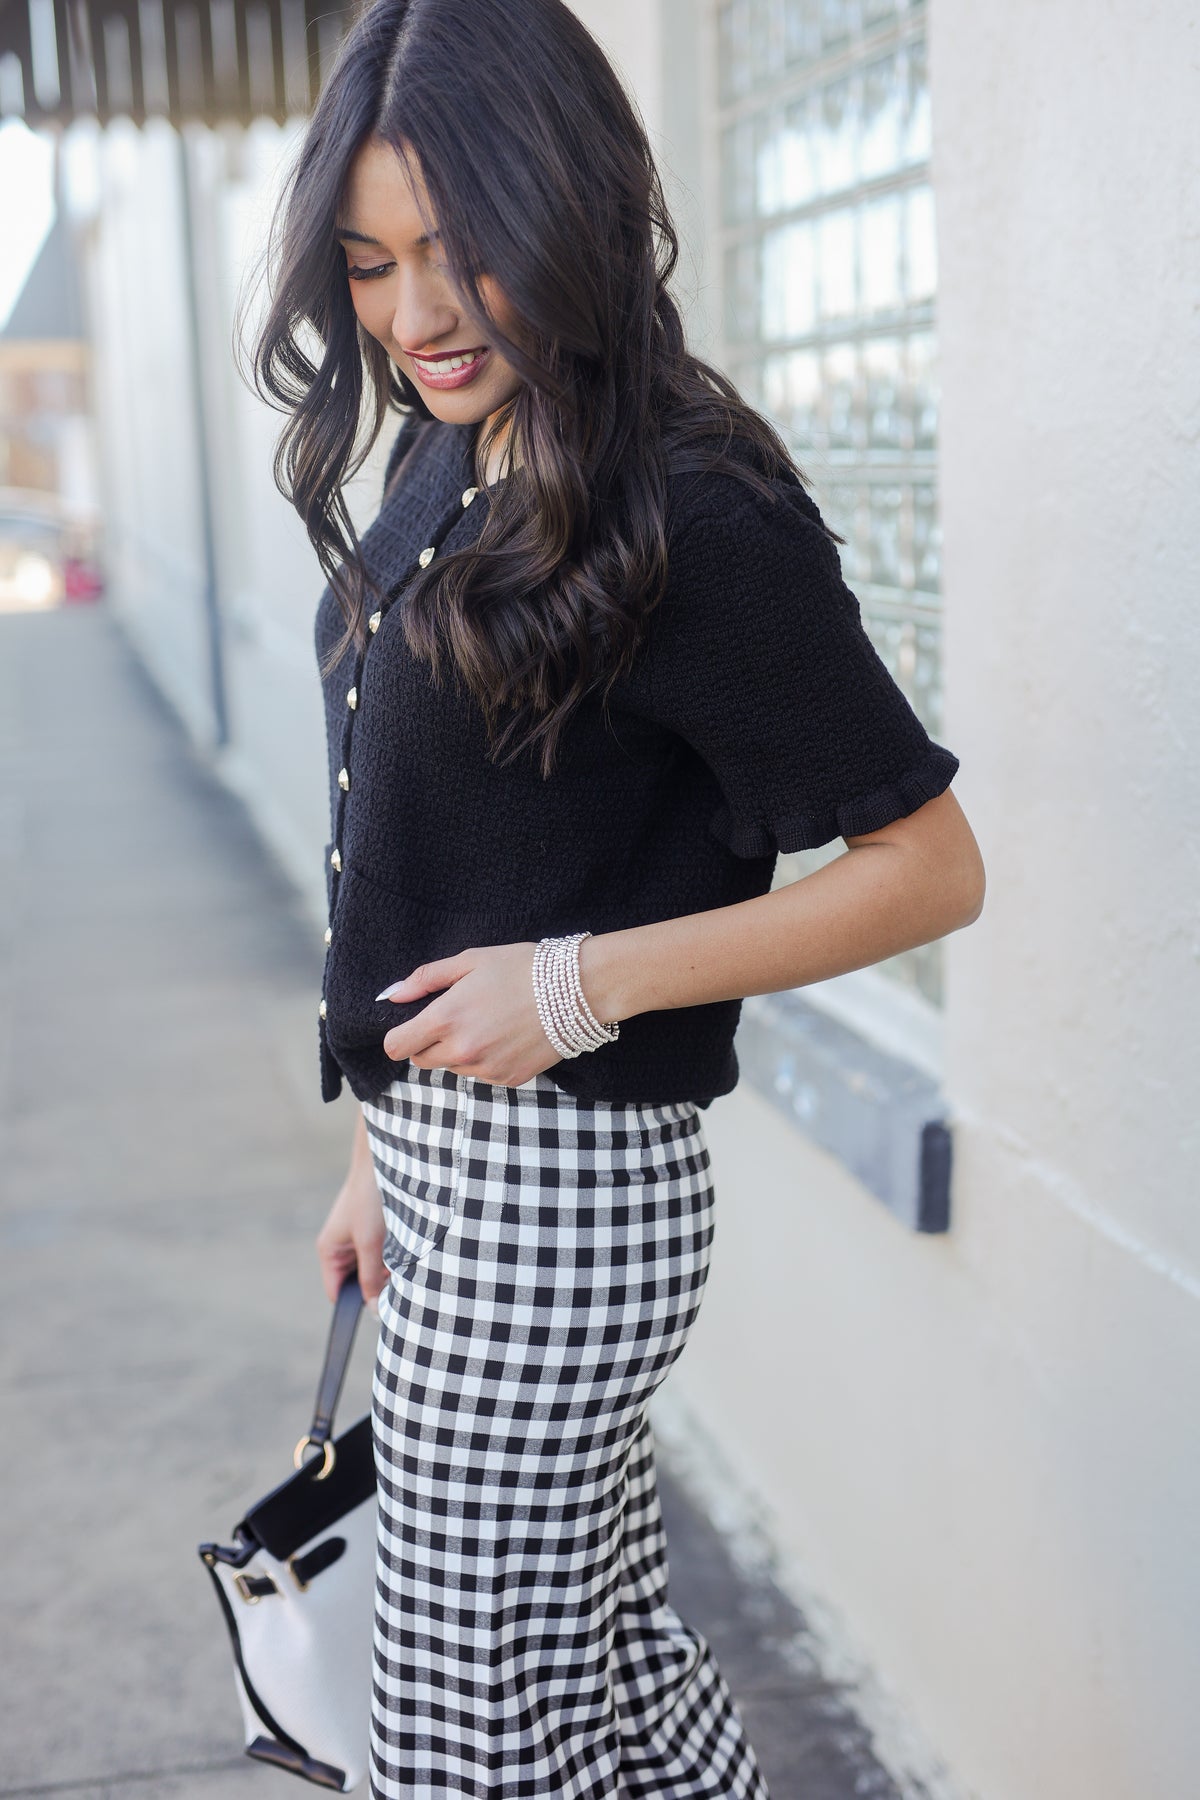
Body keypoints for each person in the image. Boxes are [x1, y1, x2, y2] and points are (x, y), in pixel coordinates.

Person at [248, 0, 985, 1792]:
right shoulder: (453, 445)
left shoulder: (694, 508)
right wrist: (377, 1151)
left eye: (457, 252)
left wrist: (578, 985)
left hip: (566, 1206)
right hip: (446, 1179)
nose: (414, 318)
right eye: (367, 267)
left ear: (566, 204)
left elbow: (929, 869)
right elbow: (445, 861)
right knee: (596, 1682)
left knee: (463, 1732)